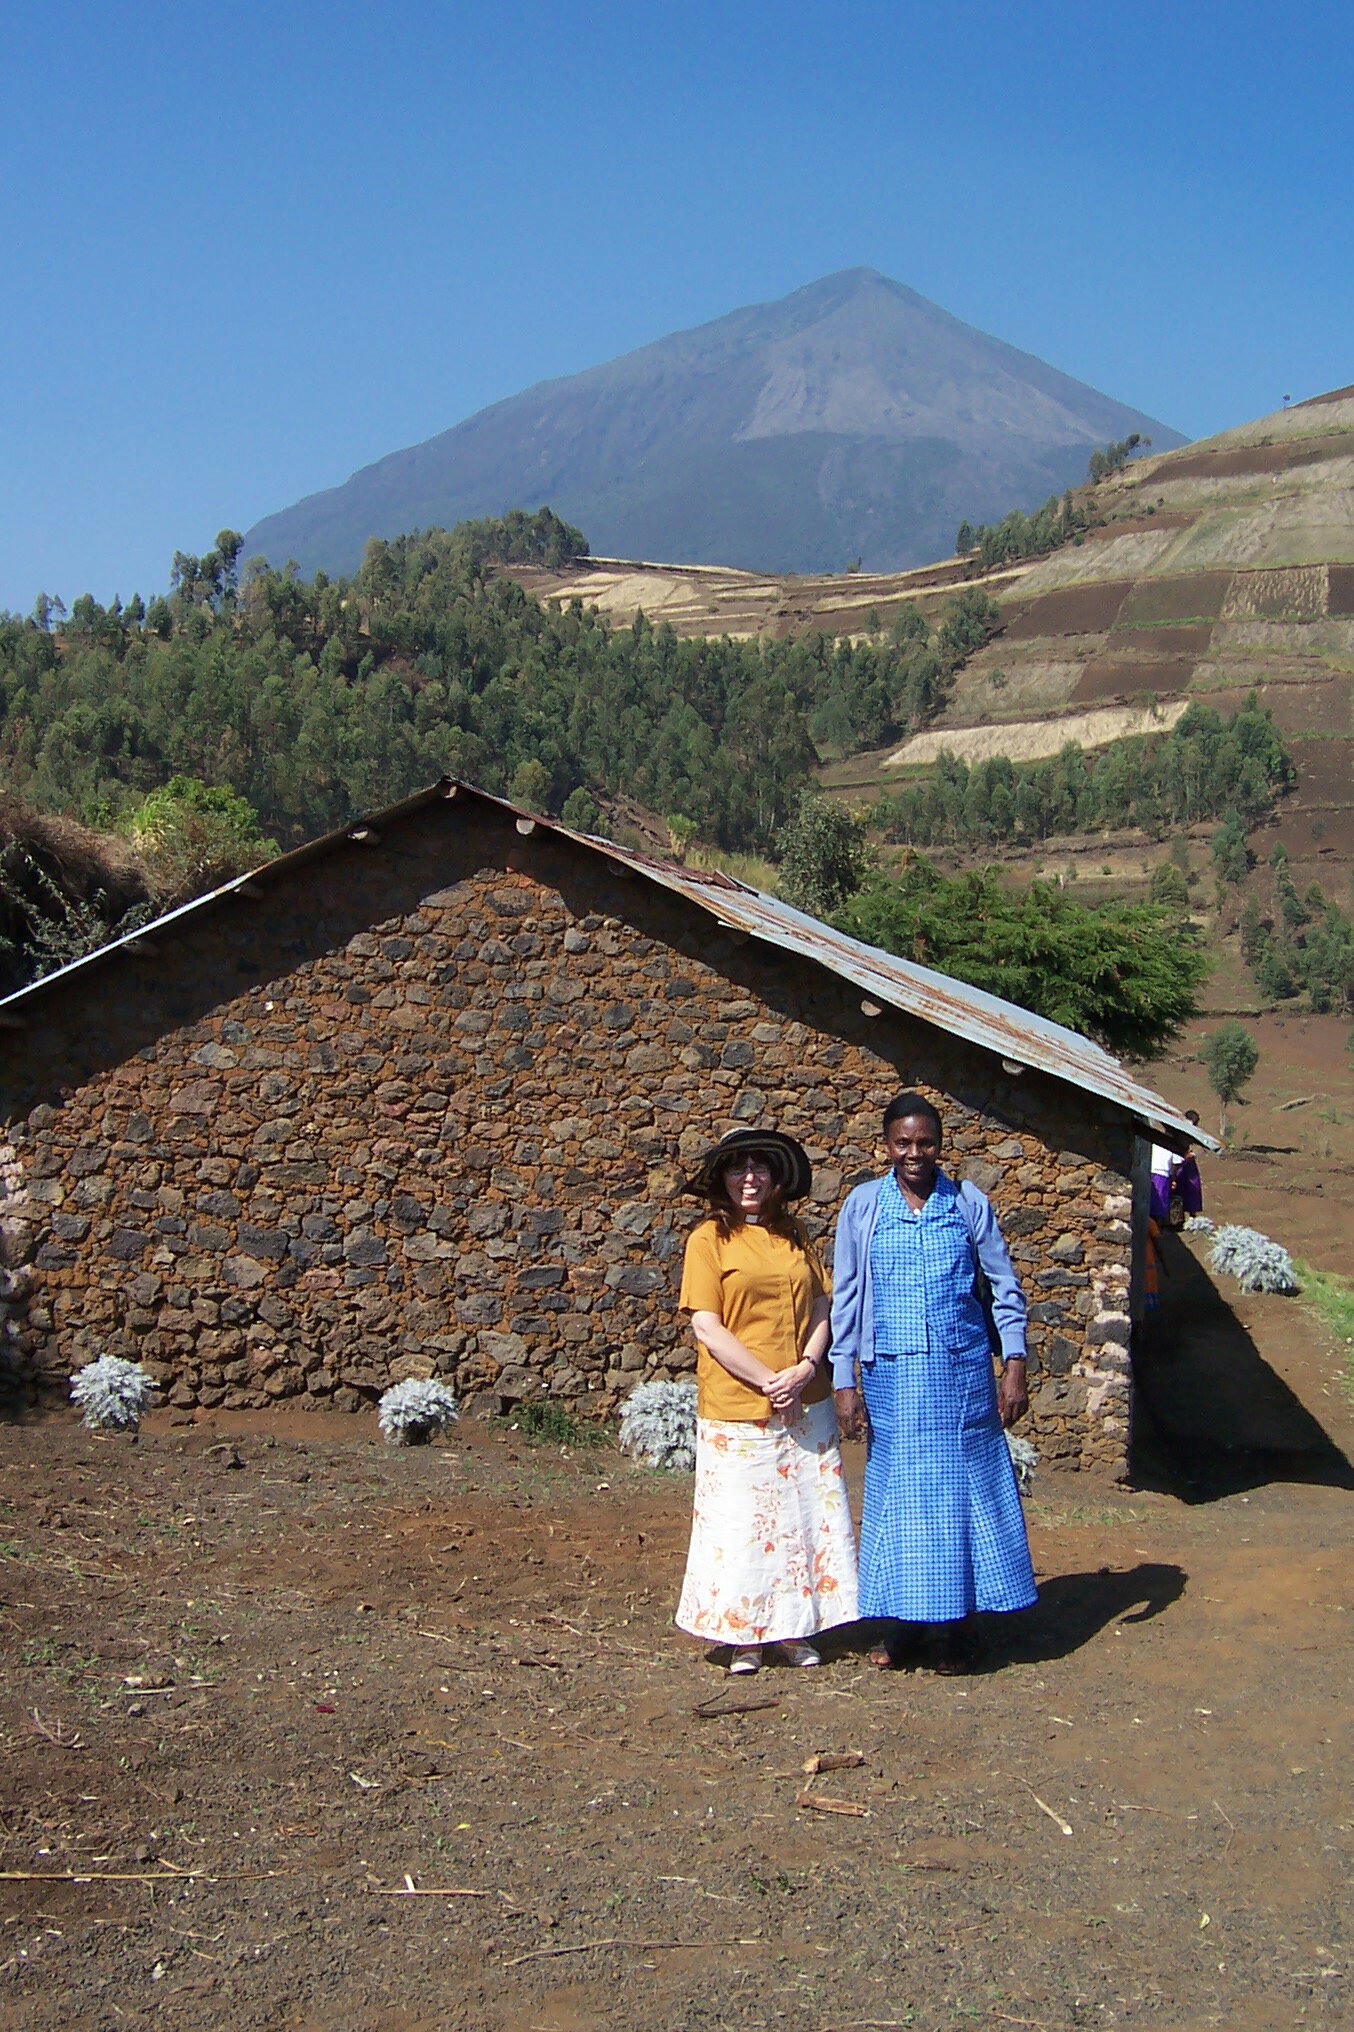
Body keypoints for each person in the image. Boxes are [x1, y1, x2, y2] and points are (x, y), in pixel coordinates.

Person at [830, 1093, 1037, 1671]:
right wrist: (844, 1379)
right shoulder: (863, 1206)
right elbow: (846, 1295)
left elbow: (1004, 1287)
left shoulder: (967, 1203)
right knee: (902, 1500)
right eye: (903, 1143)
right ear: (886, 1145)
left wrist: (1014, 1364)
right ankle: (906, 1626)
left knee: (961, 1499)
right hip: (892, 1377)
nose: (914, 1153)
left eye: (925, 1142)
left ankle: (958, 1629)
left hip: (961, 1376)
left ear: (940, 1145)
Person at [675, 1127, 859, 1674]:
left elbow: (822, 1304)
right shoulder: (708, 1239)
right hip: (739, 1407)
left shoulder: (794, 1234)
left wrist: (805, 1368)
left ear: (778, 1178)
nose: (749, 1178)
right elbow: (707, 1325)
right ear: (722, 1179)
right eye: (738, 1168)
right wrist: (769, 1381)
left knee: (801, 1519)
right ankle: (744, 1637)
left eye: (760, 1167)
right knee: (741, 1525)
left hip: (806, 1403)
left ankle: (795, 1630)